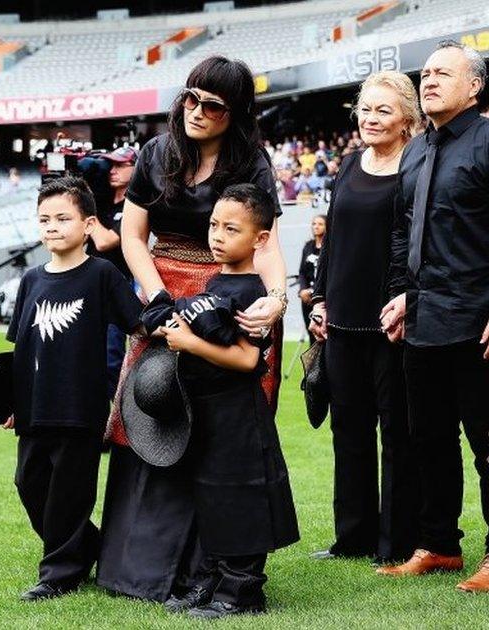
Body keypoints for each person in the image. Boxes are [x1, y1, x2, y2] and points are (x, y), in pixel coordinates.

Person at [97, 56, 288, 603]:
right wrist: (157, 295)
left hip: (232, 300)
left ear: (238, 113)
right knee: (152, 409)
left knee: (221, 432)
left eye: (213, 105)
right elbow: (132, 236)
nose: (197, 111)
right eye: (190, 97)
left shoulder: (252, 161)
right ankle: (140, 569)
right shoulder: (157, 152)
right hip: (162, 290)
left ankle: (220, 571)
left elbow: (267, 243)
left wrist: (274, 302)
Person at [377, 41, 489, 592]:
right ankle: (440, 544)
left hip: (479, 320)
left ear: (475, 87)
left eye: (444, 73)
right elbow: (403, 232)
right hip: (423, 319)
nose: (429, 80)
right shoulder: (416, 150)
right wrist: (400, 294)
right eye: (426, 74)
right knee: (429, 440)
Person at [144, 184, 299, 619]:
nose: (217, 236)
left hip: (238, 410)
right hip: (206, 408)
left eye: (231, 229)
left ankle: (243, 590)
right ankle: (211, 580)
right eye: (214, 225)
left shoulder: (254, 292)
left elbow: (248, 359)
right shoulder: (217, 279)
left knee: (240, 498)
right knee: (211, 496)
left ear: (260, 239)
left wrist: (190, 343)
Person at [2, 177, 142, 601]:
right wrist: (10, 401)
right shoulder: (31, 280)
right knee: (30, 484)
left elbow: (137, 322)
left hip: (80, 406)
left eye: (63, 218)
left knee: (70, 491)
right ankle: (90, 547)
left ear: (88, 224)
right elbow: (20, 347)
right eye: (44, 219)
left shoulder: (101, 274)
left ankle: (59, 573)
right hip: (33, 407)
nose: (52, 227)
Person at [308, 70, 421, 564]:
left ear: (407, 120)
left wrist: (409, 300)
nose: (371, 119)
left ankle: (395, 542)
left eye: (384, 111)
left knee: (397, 434)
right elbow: (331, 241)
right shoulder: (348, 165)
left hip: (392, 321)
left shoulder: (418, 166)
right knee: (348, 431)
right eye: (366, 109)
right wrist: (318, 300)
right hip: (342, 320)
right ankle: (351, 536)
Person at [87, 146, 138, 398]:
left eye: (120, 165)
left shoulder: (135, 204)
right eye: (111, 165)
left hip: (115, 289)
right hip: (88, 285)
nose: (112, 171)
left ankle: (114, 423)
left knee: (110, 359)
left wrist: (87, 214)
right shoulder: (102, 199)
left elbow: (105, 241)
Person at [297, 215, 326, 330]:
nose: (316, 227)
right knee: (311, 329)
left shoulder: (331, 247)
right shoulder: (308, 246)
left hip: (323, 294)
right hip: (308, 296)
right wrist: (303, 289)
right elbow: (302, 272)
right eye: (314, 224)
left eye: (320, 224)